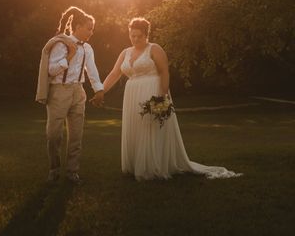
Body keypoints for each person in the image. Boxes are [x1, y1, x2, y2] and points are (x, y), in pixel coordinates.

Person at [97, 17, 241, 181]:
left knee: (150, 128)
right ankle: (135, 164)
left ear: (146, 34)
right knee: (136, 127)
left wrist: (162, 98)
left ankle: (152, 166)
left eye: (138, 36)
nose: (135, 39)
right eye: (132, 35)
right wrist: (101, 91)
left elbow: (165, 72)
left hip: (152, 90)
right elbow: (115, 74)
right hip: (132, 94)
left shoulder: (155, 49)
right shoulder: (125, 52)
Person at [37, 6, 105, 184]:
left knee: (76, 135)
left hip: (78, 91)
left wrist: (99, 90)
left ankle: (72, 171)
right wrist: (69, 56)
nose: (91, 32)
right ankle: (54, 168)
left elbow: (92, 70)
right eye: (89, 28)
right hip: (59, 90)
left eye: (92, 29)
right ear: (78, 26)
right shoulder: (60, 43)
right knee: (54, 135)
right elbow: (51, 70)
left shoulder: (88, 48)